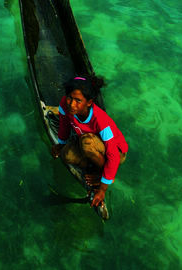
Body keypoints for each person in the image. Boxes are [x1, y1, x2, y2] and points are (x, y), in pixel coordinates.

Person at [51, 75, 128, 208]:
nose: (71, 104)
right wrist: (61, 144)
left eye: (78, 100)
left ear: (89, 102)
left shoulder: (101, 120)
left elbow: (113, 154)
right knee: (66, 155)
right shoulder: (64, 104)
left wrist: (102, 190)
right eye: (70, 97)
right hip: (91, 146)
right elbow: (64, 125)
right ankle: (93, 169)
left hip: (116, 152)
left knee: (87, 143)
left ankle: (102, 174)